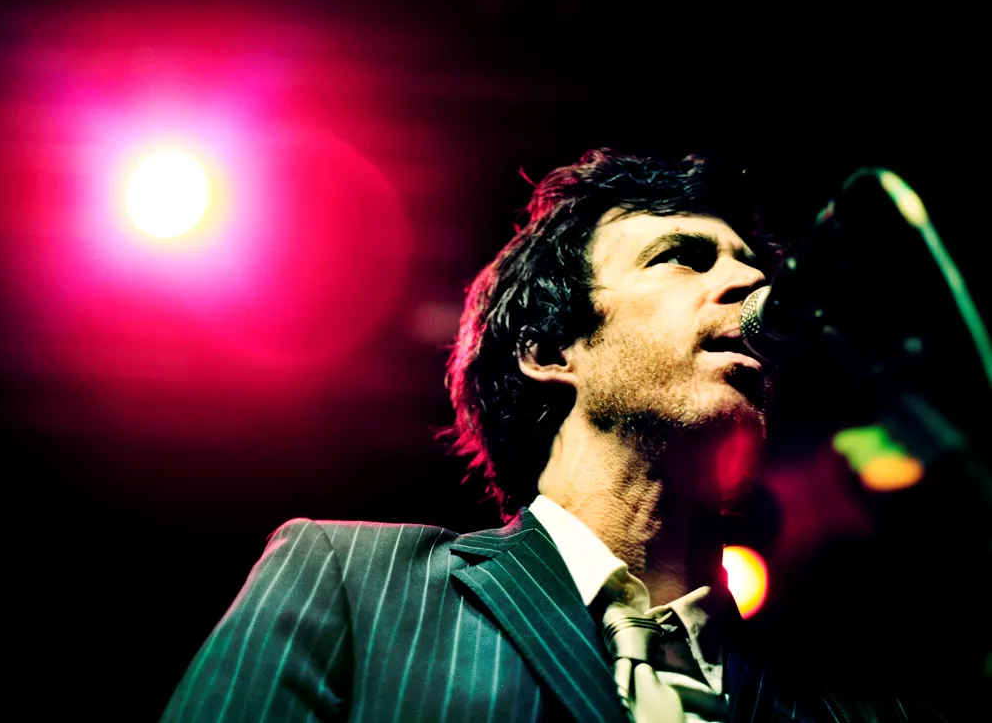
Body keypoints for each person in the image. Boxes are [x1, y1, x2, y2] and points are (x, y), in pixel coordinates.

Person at [158, 151, 929, 723]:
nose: (750, 284)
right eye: (683, 258)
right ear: (550, 349)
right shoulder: (353, 585)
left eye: (751, 264)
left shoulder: (854, 703)